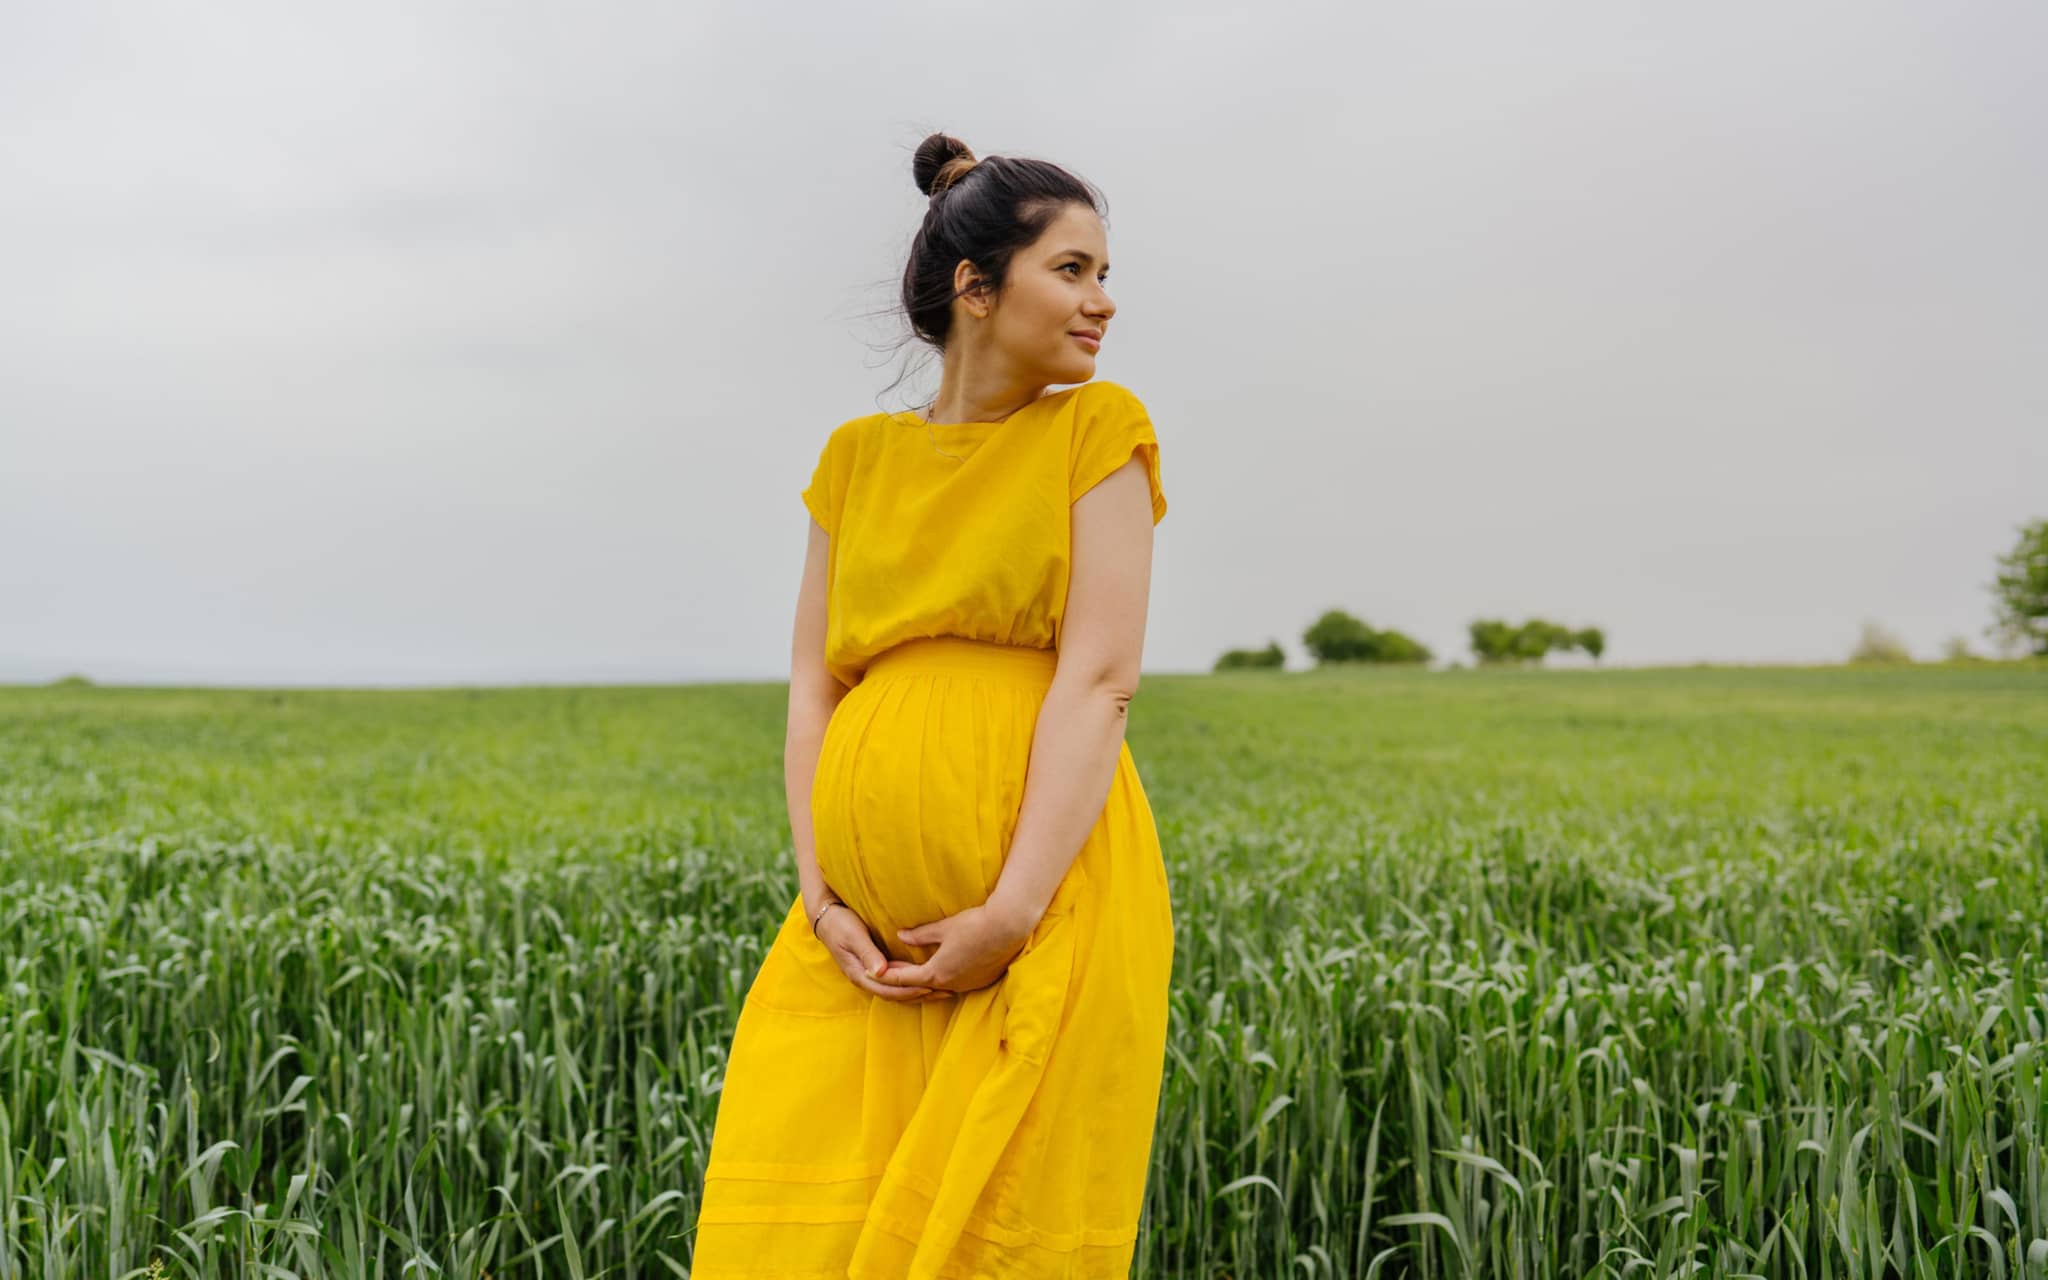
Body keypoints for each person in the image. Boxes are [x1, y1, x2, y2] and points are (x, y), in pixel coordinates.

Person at [688, 131, 1174, 1279]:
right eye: (1071, 269)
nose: (1102, 301)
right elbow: (815, 688)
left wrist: (1007, 912)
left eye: (1104, 273)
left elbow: (1099, 679)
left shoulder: (1095, 431)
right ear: (975, 286)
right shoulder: (855, 459)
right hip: (852, 952)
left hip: (1041, 917)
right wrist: (821, 897)